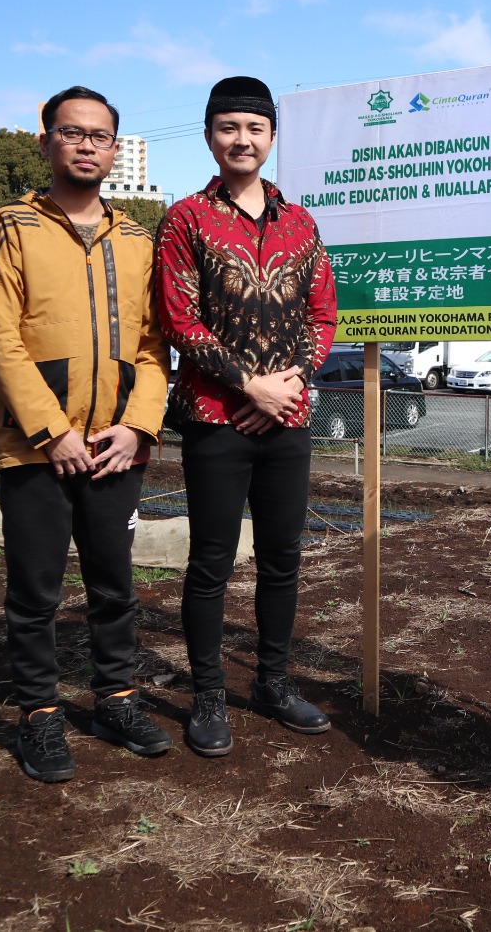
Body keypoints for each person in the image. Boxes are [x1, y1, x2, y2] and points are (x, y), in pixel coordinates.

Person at [0, 86, 173, 783]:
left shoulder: (138, 240)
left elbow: (154, 347)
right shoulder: (12, 226)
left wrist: (140, 425)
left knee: (114, 584)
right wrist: (51, 429)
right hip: (36, 446)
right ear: (46, 143)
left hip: (116, 443)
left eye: (100, 135)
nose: (87, 144)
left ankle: (115, 698)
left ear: (116, 150)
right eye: (72, 132)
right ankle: (39, 714)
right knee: (35, 590)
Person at [155, 76, 337, 756]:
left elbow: (322, 315)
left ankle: (272, 681)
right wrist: (248, 388)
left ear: (271, 137)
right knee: (210, 561)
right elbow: (179, 319)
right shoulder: (185, 219)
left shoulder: (301, 224)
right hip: (213, 416)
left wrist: (287, 386)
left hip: (286, 419)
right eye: (229, 127)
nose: (242, 139)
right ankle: (206, 694)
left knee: (283, 558)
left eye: (255, 128)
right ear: (210, 136)